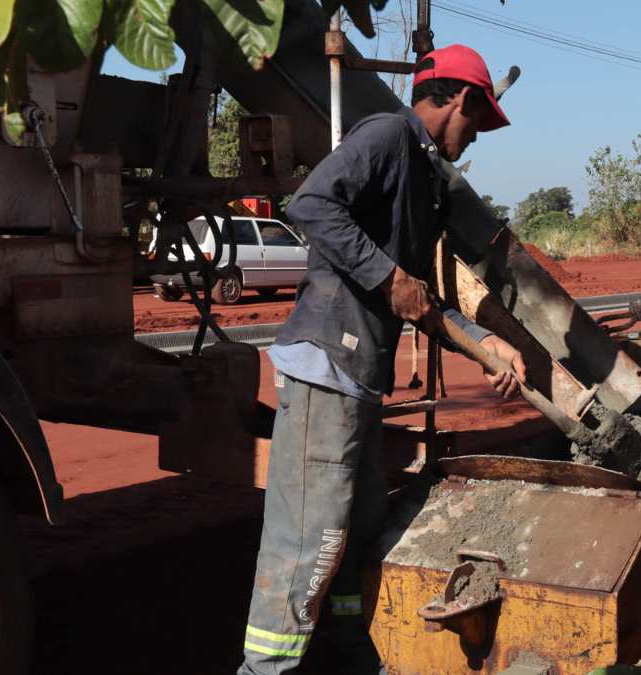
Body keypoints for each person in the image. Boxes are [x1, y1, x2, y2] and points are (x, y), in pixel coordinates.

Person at [238, 44, 526, 675]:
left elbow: (418, 299)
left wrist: (487, 345)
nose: (476, 134)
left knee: (359, 529)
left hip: (360, 381)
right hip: (326, 369)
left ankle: (350, 654)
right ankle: (265, 669)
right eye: (478, 120)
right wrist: (386, 273)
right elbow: (310, 204)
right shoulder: (389, 134)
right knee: (309, 542)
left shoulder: (427, 181)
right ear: (462, 99)